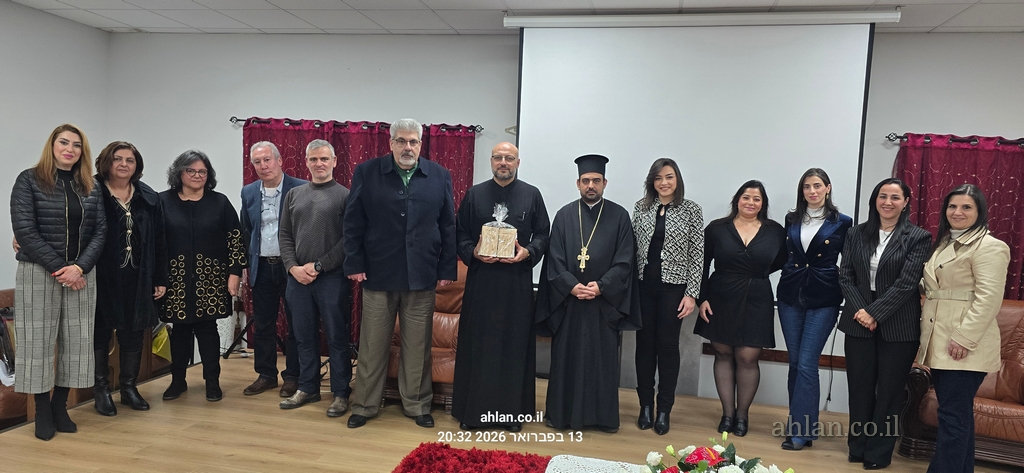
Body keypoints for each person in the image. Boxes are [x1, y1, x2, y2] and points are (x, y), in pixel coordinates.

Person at [344, 118, 457, 429]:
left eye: (414, 142)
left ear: (421, 144)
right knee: (372, 344)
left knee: (417, 346)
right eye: (402, 141)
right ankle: (364, 405)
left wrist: (446, 267)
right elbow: (353, 222)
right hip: (378, 273)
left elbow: (448, 225)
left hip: (422, 274)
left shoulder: (439, 175)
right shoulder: (367, 172)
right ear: (391, 143)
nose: (408, 147)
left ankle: (417, 404)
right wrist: (354, 263)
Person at [10, 124, 106, 440]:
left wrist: (79, 268)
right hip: (38, 271)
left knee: (77, 341)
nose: (70, 149)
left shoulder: (91, 185)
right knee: (37, 342)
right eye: (64, 142)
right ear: (52, 146)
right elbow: (25, 230)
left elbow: (100, 231)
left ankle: (60, 406)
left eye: (77, 145)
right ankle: (42, 411)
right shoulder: (29, 180)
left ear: (82, 151)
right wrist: (61, 269)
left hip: (81, 273)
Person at [536, 154, 641, 434]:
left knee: (601, 362)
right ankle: (561, 416)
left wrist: (602, 286)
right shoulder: (564, 215)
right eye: (585, 181)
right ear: (578, 183)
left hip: (602, 304)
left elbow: (625, 261)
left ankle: (602, 418)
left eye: (596, 180)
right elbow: (554, 258)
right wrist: (571, 285)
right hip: (569, 303)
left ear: (605, 183)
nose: (590, 185)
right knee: (566, 360)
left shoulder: (619, 216)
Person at [451, 142, 549, 432]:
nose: (503, 162)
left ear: (518, 162)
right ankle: (472, 413)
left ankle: (511, 415)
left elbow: (543, 234)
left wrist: (528, 252)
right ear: (491, 161)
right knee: (478, 345)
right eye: (498, 158)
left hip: (516, 285)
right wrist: (473, 251)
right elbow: (460, 233)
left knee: (514, 346)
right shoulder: (474, 194)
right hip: (482, 283)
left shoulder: (532, 195)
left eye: (509, 158)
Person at [838, 178, 931, 470]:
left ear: (905, 203)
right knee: (860, 389)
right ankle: (858, 447)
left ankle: (878, 454)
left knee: (889, 394)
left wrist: (874, 313)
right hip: (858, 321)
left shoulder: (918, 237)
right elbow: (845, 276)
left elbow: (907, 283)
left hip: (899, 325)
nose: (887, 202)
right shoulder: (855, 233)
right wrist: (862, 312)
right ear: (874, 200)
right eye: (882, 196)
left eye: (895, 197)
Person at [919, 184, 1009, 473]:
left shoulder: (990, 246)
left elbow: (989, 299)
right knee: (957, 416)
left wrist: (963, 338)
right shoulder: (945, 242)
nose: (957, 212)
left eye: (966, 207)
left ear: (980, 211)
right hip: (940, 340)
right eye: (952, 206)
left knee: (952, 417)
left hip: (962, 344)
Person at [695, 180, 786, 438]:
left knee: (747, 357)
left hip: (758, 298)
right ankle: (727, 414)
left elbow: (782, 260)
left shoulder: (775, 231)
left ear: (763, 204)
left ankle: (742, 415)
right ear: (737, 199)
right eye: (746, 197)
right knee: (723, 353)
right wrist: (702, 298)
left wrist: (757, 272)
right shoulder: (716, 228)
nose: (750, 202)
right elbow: (702, 264)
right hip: (720, 297)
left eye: (757, 199)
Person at [159, 150, 246, 403]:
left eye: (202, 172)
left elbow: (236, 240)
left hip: (212, 280)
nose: (197, 175)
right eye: (191, 170)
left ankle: (212, 381)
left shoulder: (220, 202)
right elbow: (155, 242)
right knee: (180, 331)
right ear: (179, 173)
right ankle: (177, 380)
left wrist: (235, 273)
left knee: (208, 330)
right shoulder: (162, 201)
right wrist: (157, 278)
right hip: (175, 280)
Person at [775, 168, 852, 450]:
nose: (812, 191)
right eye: (807, 187)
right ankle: (801, 428)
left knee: (807, 363)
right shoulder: (791, 219)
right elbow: (785, 255)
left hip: (824, 296)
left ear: (828, 188)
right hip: (790, 295)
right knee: (795, 363)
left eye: (817, 186)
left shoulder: (843, 222)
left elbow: (849, 263)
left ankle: (800, 431)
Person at [278, 140, 352, 417]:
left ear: (334, 161)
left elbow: (349, 240)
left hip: (332, 278)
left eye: (324, 159)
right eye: (313, 159)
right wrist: (292, 267)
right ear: (306, 161)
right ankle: (307, 388)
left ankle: (341, 392)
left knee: (336, 337)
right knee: (302, 336)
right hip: (297, 279)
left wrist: (319, 266)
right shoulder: (293, 195)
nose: (319, 164)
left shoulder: (346, 196)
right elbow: (284, 235)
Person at [92, 141, 167, 416]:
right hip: (100, 276)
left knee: (134, 333)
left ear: (137, 166)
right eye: (118, 159)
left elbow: (160, 240)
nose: (124, 164)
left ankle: (128, 388)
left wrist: (160, 278)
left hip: (138, 276)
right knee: (100, 333)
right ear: (106, 162)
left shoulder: (148, 197)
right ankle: (101, 390)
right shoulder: (91, 191)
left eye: (130, 160)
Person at [631, 158, 703, 435]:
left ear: (677, 180)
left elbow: (697, 255)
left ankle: (664, 409)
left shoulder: (691, 210)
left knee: (668, 347)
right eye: (658, 177)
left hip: (674, 289)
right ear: (652, 181)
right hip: (643, 287)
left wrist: (692, 294)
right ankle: (645, 406)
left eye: (669, 177)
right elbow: (631, 247)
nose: (664, 182)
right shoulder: (641, 207)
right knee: (644, 346)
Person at [240, 141, 307, 398]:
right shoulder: (248, 192)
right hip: (262, 268)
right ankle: (266, 374)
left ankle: (293, 376)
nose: (263, 166)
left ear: (279, 160)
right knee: (263, 325)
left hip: (291, 268)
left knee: (296, 324)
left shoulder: (301, 188)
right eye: (257, 162)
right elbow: (246, 230)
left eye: (267, 160)